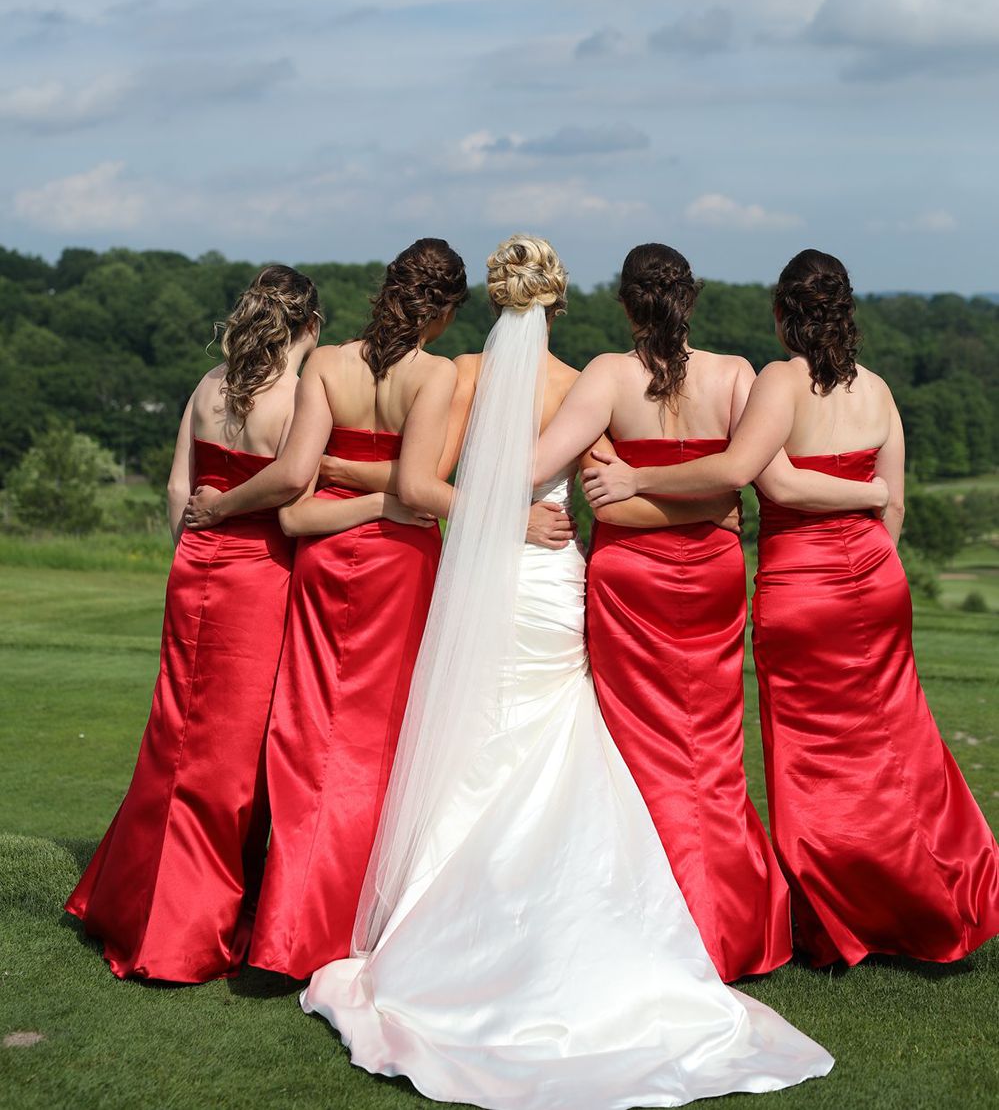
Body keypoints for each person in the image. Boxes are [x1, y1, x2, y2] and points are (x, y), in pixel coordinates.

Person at [301, 236, 833, 1110]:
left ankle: (448, 913)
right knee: (560, 729)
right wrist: (534, 516)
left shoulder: (461, 374)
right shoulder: (584, 379)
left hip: (492, 579)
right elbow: (615, 485)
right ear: (559, 303)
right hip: (552, 579)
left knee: (479, 735)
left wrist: (487, 515)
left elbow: (423, 482)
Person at [584, 247, 999, 968]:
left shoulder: (777, 379)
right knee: (899, 747)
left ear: (782, 315)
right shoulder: (877, 390)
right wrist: (869, 547)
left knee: (814, 758)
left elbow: (748, 476)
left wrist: (635, 474)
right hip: (876, 577)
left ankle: (836, 921)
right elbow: (892, 500)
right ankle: (933, 898)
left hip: (800, 586)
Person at [535, 242, 887, 980]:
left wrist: (614, 485)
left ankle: (654, 914)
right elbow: (734, 490)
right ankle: (734, 916)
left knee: (641, 751)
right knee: (713, 751)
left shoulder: (605, 375)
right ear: (688, 299)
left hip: (629, 581)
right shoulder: (736, 375)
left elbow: (533, 466)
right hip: (714, 574)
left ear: (628, 304)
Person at [186, 237, 468, 978]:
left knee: (307, 740)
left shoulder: (326, 364)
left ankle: (286, 928)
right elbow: (416, 488)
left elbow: (294, 497)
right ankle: (352, 921)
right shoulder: (434, 374)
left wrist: (345, 479)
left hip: (321, 559)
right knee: (378, 746)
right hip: (398, 564)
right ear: (439, 312)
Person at [65, 266, 326, 982]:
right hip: (257, 572)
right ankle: (187, 923)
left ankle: (128, 898)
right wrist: (231, 511)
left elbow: (180, 485)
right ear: (306, 324)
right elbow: (289, 485)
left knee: (174, 730)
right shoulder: (297, 396)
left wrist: (193, 533)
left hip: (195, 568)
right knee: (225, 755)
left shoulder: (209, 385)